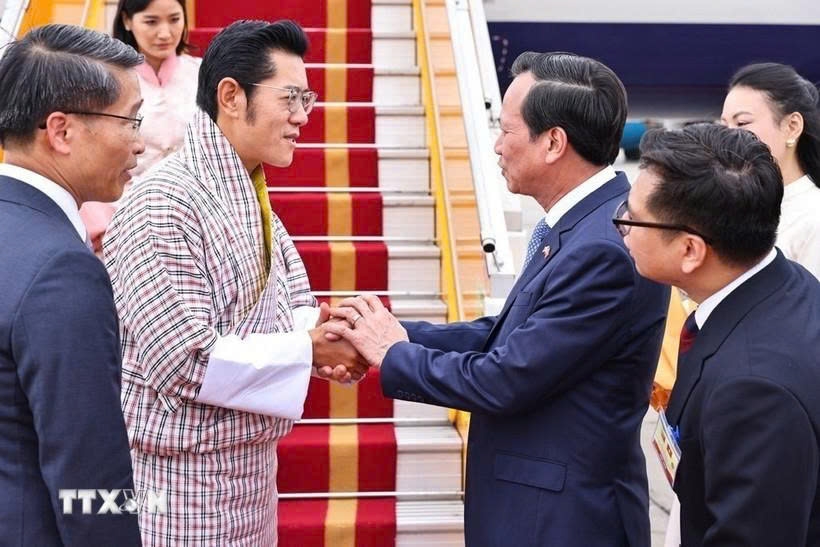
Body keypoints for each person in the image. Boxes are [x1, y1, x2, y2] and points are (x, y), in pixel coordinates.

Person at [325, 52, 671, 547]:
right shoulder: (583, 225)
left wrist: (392, 354)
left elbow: (506, 379)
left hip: (562, 521)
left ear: (553, 142)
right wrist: (389, 335)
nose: (495, 147)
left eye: (506, 132)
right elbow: (509, 335)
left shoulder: (602, 248)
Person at [103, 19, 365, 545]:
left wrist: (330, 333)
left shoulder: (249, 191)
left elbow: (291, 302)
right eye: (290, 98)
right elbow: (184, 361)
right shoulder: (161, 201)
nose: (301, 117)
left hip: (249, 475)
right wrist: (306, 350)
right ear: (231, 96)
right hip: (177, 485)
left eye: (307, 99)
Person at [615, 123, 820, 546]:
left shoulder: (753, 391)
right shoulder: (782, 282)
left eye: (633, 218)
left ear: (691, 250)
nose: (622, 226)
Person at [0, 24, 143, 544]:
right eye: (130, 120)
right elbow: (89, 476)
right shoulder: (62, 268)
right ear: (61, 131)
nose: (140, 142)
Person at [80, 0, 200, 252]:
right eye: (151, 21)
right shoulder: (103, 79)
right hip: (122, 216)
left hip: (192, 216)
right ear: (126, 20)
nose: (165, 33)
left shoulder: (202, 73)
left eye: (175, 19)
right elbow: (89, 155)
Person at [722, 62, 820, 279]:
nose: (729, 137)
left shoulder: (814, 218)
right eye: (724, 125)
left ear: (792, 126)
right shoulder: (728, 206)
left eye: (742, 123)